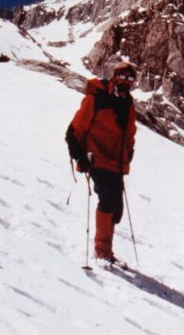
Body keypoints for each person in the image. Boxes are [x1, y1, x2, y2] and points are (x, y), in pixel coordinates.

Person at [66, 61, 138, 263]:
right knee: (107, 200)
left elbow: (129, 132)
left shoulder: (128, 103)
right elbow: (75, 129)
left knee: (116, 208)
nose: (126, 81)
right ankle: (102, 251)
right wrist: (79, 155)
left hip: (116, 163)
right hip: (95, 158)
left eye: (130, 78)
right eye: (122, 76)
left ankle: (106, 250)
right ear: (115, 76)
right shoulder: (97, 97)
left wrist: (129, 153)